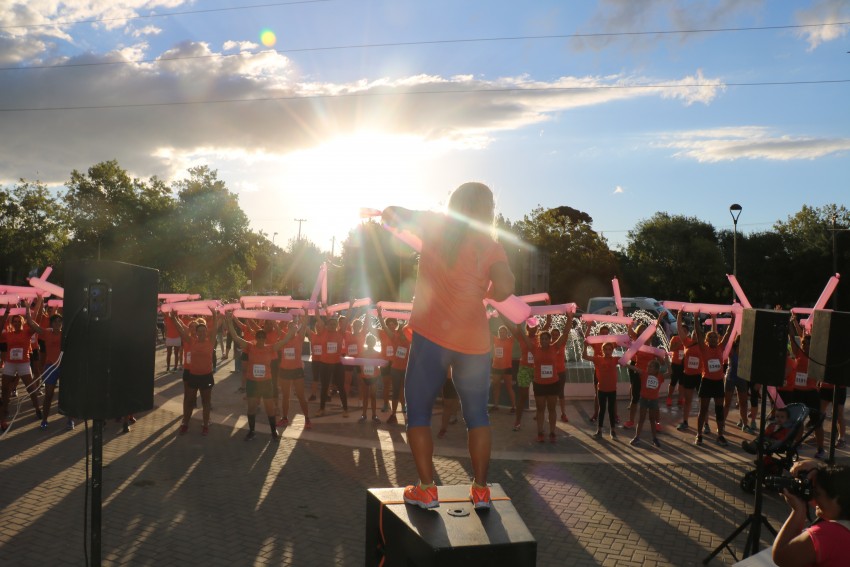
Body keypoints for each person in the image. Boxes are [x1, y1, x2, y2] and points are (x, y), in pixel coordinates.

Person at [382, 182, 515, 511]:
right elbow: (507, 287)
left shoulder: (436, 224)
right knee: (477, 415)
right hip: (474, 340)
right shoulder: (491, 245)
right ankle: (481, 491)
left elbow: (391, 212)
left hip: (431, 335)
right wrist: (487, 293)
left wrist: (393, 218)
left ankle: (427, 489)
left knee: (419, 412)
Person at [225, 313, 301, 441]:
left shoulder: (270, 348)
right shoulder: (250, 347)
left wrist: (292, 331)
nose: (260, 338)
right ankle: (251, 431)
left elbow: (284, 341)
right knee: (251, 408)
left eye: (262, 337)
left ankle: (273, 431)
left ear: (265, 338)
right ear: (256, 337)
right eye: (258, 336)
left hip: (266, 382)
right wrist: (229, 323)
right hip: (252, 383)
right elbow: (236, 338)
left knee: (269, 408)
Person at [772, 459, 850, 566]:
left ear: (836, 499)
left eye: (817, 493)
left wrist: (798, 511)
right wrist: (820, 469)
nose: (812, 497)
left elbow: (780, 557)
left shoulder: (828, 534)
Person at [170, 310, 222, 436]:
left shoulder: (210, 341)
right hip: (193, 375)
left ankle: (205, 425)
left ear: (206, 332)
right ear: (197, 333)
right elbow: (181, 331)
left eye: (204, 331)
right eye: (200, 331)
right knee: (189, 401)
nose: (202, 333)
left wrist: (214, 315)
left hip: (206, 376)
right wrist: (174, 318)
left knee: (206, 402)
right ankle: (185, 423)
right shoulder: (191, 341)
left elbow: (215, 328)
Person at [25, 309, 72, 430]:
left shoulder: (66, 334)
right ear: (51, 324)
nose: (57, 324)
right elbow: (31, 323)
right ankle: (45, 419)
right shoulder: (46, 333)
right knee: (49, 395)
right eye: (55, 322)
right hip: (51, 366)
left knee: (67, 394)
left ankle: (70, 419)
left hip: (65, 367)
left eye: (59, 322)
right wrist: (27, 307)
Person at [692, 312, 735, 447]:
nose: (713, 340)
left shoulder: (721, 347)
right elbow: (698, 334)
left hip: (717, 383)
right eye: (710, 338)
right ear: (707, 340)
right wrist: (695, 318)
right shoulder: (704, 349)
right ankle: (699, 434)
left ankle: (720, 435)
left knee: (719, 409)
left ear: (717, 339)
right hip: (707, 381)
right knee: (703, 409)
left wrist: (733, 318)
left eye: (715, 338)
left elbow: (728, 333)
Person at [0, 307, 42, 431]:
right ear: (12, 323)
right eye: (15, 322)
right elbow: (0, 327)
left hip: (23, 363)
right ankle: (3, 416)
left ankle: (37, 408)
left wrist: (28, 310)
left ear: (22, 322)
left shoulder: (27, 332)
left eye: (19, 321)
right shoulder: (8, 334)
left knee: (31, 388)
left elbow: (35, 326)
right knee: (5, 389)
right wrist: (7, 313)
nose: (17, 323)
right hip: (10, 363)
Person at [276, 316, 311, 429]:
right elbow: (274, 325)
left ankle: (307, 419)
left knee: (301, 396)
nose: (291, 329)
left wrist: (306, 313)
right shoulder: (283, 337)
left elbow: (304, 325)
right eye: (289, 327)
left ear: (296, 329)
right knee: (286, 396)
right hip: (284, 370)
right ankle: (285, 418)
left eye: (293, 327)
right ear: (287, 328)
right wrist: (270, 311)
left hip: (296, 370)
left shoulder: (299, 338)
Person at [628, 358, 668, 448]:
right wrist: (625, 364)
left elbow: (670, 372)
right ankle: (637, 437)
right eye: (648, 366)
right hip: (644, 399)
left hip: (653, 400)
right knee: (641, 418)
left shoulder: (660, 377)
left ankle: (654, 438)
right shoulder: (644, 374)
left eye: (651, 367)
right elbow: (635, 368)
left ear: (656, 369)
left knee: (652, 420)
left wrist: (667, 359)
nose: (648, 368)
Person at [583, 341, 619, 439]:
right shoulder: (598, 359)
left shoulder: (616, 359)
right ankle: (599, 430)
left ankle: (613, 431)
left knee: (611, 410)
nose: (607, 351)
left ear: (612, 350)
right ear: (602, 350)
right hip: (601, 389)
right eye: (605, 349)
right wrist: (585, 346)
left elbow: (627, 361)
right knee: (602, 410)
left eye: (609, 349)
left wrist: (630, 346)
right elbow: (585, 357)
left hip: (612, 390)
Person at [723, 337, 755, 434]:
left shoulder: (747, 350)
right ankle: (722, 424)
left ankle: (745, 424)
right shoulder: (732, 348)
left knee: (743, 402)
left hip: (742, 378)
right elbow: (726, 341)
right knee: (727, 403)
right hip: (730, 378)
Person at [357, 334, 383, 424]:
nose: (370, 343)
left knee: (373, 396)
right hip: (364, 377)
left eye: (372, 341)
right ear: (367, 342)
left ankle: (374, 415)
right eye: (369, 341)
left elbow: (381, 364)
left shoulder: (377, 353)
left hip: (374, 377)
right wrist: (360, 375)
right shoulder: (362, 353)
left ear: (374, 343)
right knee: (365, 396)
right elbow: (358, 365)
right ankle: (363, 414)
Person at [490, 325, 515, 413]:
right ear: (498, 333)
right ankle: (496, 405)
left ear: (507, 333)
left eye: (503, 332)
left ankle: (513, 407)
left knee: (509, 387)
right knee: (496, 387)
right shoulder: (495, 339)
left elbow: (515, 330)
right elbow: (486, 332)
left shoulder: (510, 340)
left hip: (507, 368)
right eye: (500, 332)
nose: (501, 333)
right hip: (496, 367)